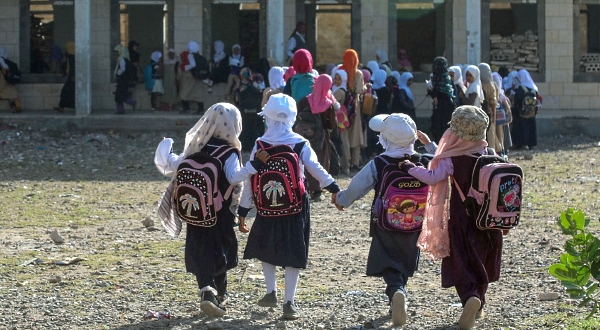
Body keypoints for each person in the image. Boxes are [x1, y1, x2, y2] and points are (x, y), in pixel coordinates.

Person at [155, 102, 270, 318]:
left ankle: (206, 289)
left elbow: (174, 163)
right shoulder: (229, 152)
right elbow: (235, 177)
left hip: (196, 212)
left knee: (200, 249)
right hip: (221, 213)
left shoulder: (197, 146)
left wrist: (165, 149)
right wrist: (254, 165)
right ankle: (220, 294)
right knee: (221, 250)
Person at [237, 93, 340, 320]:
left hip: (266, 205)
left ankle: (271, 291)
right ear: (292, 116)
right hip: (295, 204)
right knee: (294, 250)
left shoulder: (260, 144)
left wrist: (243, 211)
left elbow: (250, 179)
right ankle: (289, 302)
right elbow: (315, 168)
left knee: (266, 246)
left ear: (268, 117)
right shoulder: (300, 142)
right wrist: (333, 187)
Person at [401, 105, 502, 330]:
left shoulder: (454, 160)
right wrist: (428, 145)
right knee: (481, 263)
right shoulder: (490, 155)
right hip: (488, 223)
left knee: (461, 262)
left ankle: (469, 298)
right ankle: (478, 302)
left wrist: (410, 167)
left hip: (463, 221)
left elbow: (432, 176)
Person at [334, 113, 423, 327]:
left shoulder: (380, 162)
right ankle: (399, 295)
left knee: (388, 259)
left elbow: (358, 186)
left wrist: (342, 200)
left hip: (385, 222)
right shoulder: (422, 161)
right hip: (416, 222)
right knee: (405, 257)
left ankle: (396, 291)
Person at [297, 74, 339, 201]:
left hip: (303, 136)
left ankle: (303, 186)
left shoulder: (305, 100)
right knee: (319, 162)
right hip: (320, 138)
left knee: (303, 161)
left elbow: (297, 115)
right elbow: (331, 124)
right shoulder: (328, 104)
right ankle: (317, 190)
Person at [339, 49, 366, 172]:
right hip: (354, 106)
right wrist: (366, 87)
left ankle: (345, 161)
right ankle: (355, 162)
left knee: (344, 132)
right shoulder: (358, 74)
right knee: (355, 134)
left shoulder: (340, 70)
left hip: (341, 105)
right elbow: (359, 90)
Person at [427, 57, 456, 143]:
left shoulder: (435, 78)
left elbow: (435, 94)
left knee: (438, 130)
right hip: (450, 107)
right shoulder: (448, 78)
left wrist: (430, 91)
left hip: (440, 109)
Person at [511, 69, 538, 150]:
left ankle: (521, 143)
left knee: (521, 127)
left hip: (521, 112)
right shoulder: (534, 88)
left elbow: (517, 99)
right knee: (531, 127)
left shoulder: (521, 88)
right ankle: (531, 143)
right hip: (531, 112)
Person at [332, 69, 352, 176]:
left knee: (343, 142)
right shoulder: (339, 89)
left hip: (339, 120)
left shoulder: (339, 91)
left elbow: (332, 103)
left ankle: (346, 166)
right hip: (342, 120)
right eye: (335, 78)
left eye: (340, 79)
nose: (337, 81)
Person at [179, 41, 207, 114]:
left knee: (184, 92)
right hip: (199, 76)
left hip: (191, 76)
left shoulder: (190, 55)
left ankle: (186, 108)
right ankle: (200, 109)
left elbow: (193, 65)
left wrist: (185, 67)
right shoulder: (201, 57)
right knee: (198, 93)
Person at [478, 63, 500, 153]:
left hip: (479, 112)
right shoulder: (492, 85)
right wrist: (494, 116)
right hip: (488, 112)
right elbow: (493, 102)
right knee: (490, 134)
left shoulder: (476, 83)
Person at [492, 71, 512, 157]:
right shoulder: (500, 94)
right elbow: (507, 107)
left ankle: (500, 150)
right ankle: (501, 150)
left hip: (496, 117)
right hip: (499, 118)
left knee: (498, 134)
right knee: (500, 134)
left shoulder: (498, 94)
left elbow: (507, 107)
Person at [113, 44, 136, 114]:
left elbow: (122, 69)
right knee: (121, 95)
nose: (116, 53)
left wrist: (118, 74)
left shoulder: (121, 59)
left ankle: (123, 108)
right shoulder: (125, 59)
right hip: (124, 80)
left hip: (122, 80)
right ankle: (124, 107)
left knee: (119, 96)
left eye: (117, 51)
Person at [53, 41, 75, 113]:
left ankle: (61, 107)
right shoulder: (70, 55)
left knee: (65, 91)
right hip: (72, 77)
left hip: (72, 77)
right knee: (69, 92)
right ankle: (61, 106)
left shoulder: (72, 56)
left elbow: (72, 67)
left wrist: (71, 75)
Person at [0, 47, 21, 113]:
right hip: (8, 83)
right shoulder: (9, 63)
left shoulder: (3, 62)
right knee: (13, 96)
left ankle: (15, 107)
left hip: (2, 83)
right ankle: (16, 108)